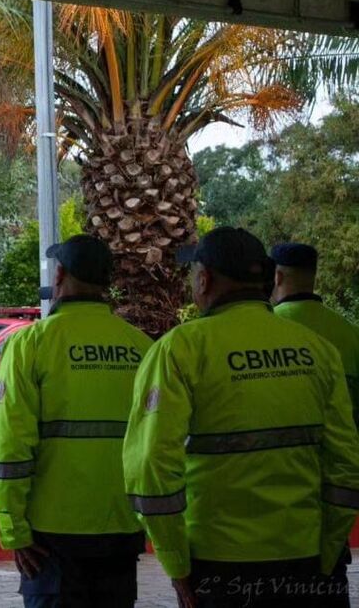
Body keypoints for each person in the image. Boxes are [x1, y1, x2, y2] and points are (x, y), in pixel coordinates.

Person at [123, 227, 359, 608]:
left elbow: (151, 465)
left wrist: (176, 562)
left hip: (221, 565)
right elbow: (346, 463)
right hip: (309, 560)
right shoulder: (317, 349)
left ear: (205, 279)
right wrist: (328, 551)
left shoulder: (180, 349)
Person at [0, 235, 153, 608]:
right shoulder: (142, 347)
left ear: (59, 275)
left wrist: (12, 530)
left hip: (51, 538)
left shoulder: (32, 345)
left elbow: (7, 447)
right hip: (122, 527)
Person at [270, 241, 359, 606]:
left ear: (275, 276)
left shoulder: (268, 331)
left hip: (274, 506)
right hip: (334, 504)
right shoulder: (349, 336)